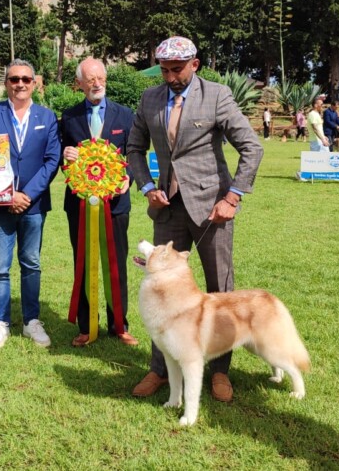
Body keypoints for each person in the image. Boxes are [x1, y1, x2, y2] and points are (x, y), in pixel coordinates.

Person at [126, 36, 263, 403]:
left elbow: (252, 146)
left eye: (177, 70)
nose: (170, 77)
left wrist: (233, 196)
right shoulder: (149, 99)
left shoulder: (217, 95)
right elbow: (134, 148)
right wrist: (146, 186)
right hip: (167, 209)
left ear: (195, 64)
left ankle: (219, 371)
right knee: (161, 290)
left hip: (212, 209)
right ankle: (159, 369)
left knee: (220, 290)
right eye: (165, 71)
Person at [0, 59, 62, 350]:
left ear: (34, 83)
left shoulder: (47, 117)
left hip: (33, 205)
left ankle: (31, 320)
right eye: (14, 79)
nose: (20, 84)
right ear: (5, 82)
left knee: (31, 263)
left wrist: (27, 194)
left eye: (26, 78)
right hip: (0, 204)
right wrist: (8, 194)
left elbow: (52, 161)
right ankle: (0, 321)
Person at [59, 58, 138, 347]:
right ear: (79, 83)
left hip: (116, 204)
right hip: (79, 205)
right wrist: (65, 156)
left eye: (101, 78)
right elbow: (58, 159)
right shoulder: (68, 117)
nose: (97, 84)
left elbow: (136, 153)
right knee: (83, 261)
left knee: (116, 262)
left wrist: (128, 175)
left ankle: (120, 325)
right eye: (90, 79)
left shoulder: (126, 115)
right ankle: (85, 325)